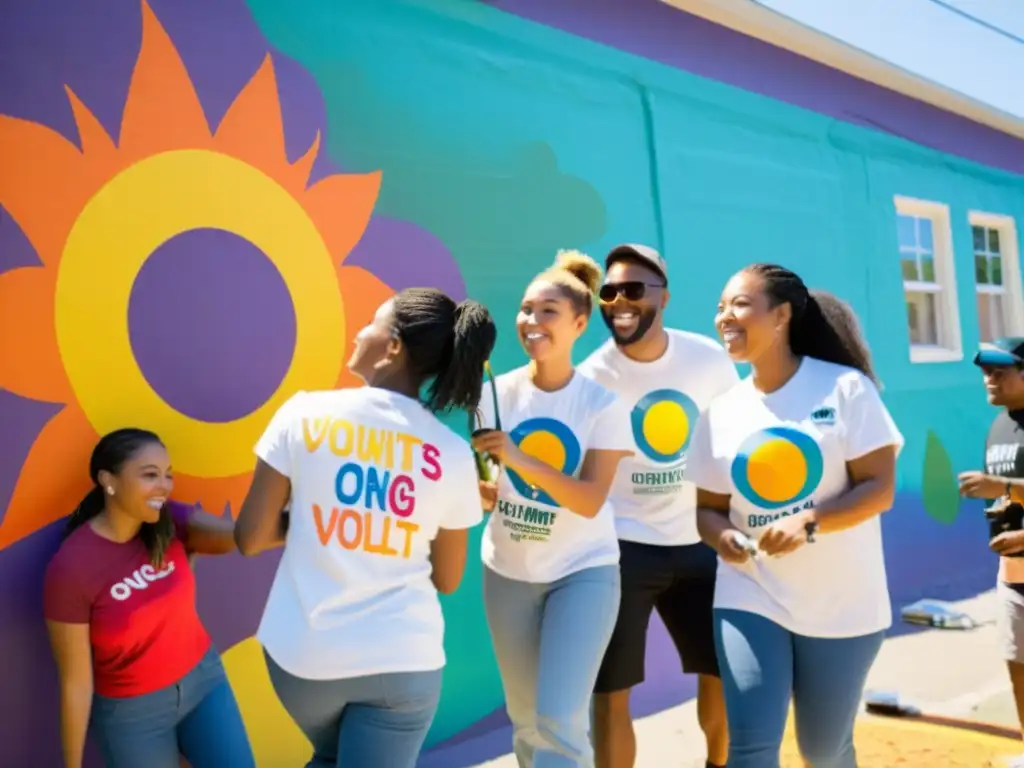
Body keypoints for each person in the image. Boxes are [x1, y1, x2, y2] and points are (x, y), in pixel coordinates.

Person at [234, 288, 496, 768]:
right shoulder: (452, 454)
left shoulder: (303, 413)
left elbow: (250, 538)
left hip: (303, 659)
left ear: (393, 346)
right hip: (401, 662)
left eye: (371, 323)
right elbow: (448, 579)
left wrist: (321, 512)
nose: (359, 332)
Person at [685, 263, 903, 768]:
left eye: (739, 304)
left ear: (781, 314)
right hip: (751, 592)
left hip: (843, 602)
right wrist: (725, 541)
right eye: (720, 307)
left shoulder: (845, 389)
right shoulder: (721, 411)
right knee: (752, 747)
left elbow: (879, 489)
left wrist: (809, 521)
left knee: (822, 751)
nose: (724, 317)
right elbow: (708, 512)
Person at [470, 250, 633, 768]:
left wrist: (517, 457)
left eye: (548, 312)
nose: (531, 322)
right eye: (525, 309)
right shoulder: (492, 393)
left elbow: (588, 501)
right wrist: (482, 490)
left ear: (580, 323)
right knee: (525, 720)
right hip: (507, 570)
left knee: (560, 720)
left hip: (582, 572)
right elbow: (487, 487)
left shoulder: (601, 404)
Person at [578, 244, 737, 768]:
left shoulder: (708, 360)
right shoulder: (591, 376)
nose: (619, 300)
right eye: (609, 291)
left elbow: (736, 442)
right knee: (611, 690)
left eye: (634, 289)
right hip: (622, 551)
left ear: (664, 297)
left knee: (722, 676)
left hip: (703, 542)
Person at [43, 428, 254, 768]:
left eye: (168, 475)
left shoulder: (171, 522)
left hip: (204, 684)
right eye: (150, 475)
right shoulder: (70, 568)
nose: (165, 486)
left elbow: (239, 539)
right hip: (133, 715)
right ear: (108, 481)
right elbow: (76, 682)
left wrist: (287, 519)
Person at [958, 337, 1024, 738]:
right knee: (1019, 677)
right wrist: (1003, 502)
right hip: (1013, 578)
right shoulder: (999, 425)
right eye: (985, 371)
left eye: (1000, 370)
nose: (989, 378)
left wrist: (1002, 484)